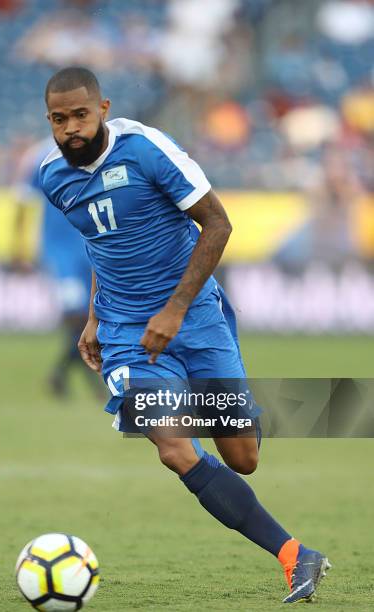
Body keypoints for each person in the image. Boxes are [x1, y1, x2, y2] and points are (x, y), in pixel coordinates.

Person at [37, 66, 331, 604]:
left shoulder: (148, 150)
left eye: (80, 115)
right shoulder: (52, 177)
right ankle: (295, 555)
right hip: (128, 334)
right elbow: (102, 241)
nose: (70, 129)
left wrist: (174, 310)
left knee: (243, 458)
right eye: (59, 120)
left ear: (102, 109)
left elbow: (217, 223)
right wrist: (96, 316)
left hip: (194, 318)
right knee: (174, 447)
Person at [13, 138, 95, 396]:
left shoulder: (99, 148)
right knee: (76, 317)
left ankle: (63, 376)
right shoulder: (40, 156)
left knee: (94, 315)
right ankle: (69, 376)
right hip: (60, 252)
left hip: (91, 248)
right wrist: (19, 249)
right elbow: (23, 202)